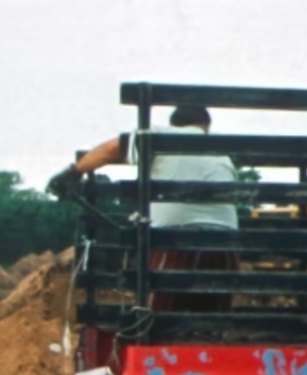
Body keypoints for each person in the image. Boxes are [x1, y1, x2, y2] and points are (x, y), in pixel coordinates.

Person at [47, 105, 240, 314]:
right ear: (206, 126)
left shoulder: (162, 136)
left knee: (156, 318)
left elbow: (112, 150)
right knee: (211, 319)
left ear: (173, 124)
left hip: (176, 241)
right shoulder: (221, 151)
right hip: (225, 246)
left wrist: (74, 172)